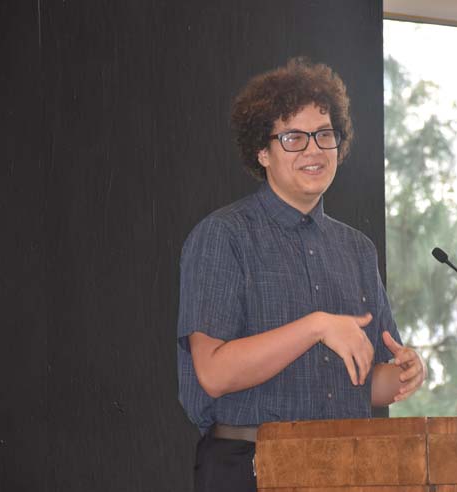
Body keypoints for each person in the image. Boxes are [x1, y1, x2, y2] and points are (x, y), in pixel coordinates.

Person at [177, 58, 425, 492]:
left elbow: (367, 385)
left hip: (349, 466)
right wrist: (315, 327)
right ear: (262, 151)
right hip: (250, 468)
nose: (313, 150)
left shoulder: (357, 250)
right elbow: (214, 373)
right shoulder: (224, 236)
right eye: (293, 137)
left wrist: (404, 373)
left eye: (324, 135)